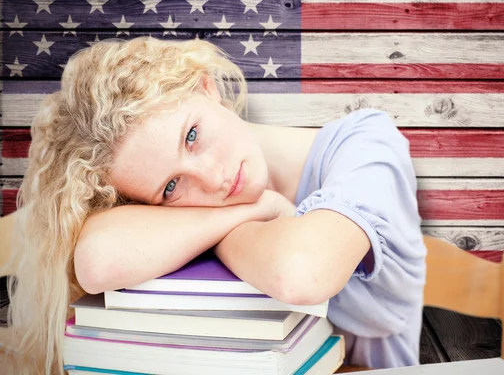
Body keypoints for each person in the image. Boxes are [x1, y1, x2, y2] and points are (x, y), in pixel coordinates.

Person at [5, 36, 426, 374]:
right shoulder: (215, 207)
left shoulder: (370, 145)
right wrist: (254, 210)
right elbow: (95, 260)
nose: (213, 179)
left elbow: (302, 273)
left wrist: (220, 228)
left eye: (191, 135)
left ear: (207, 88)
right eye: (171, 185)